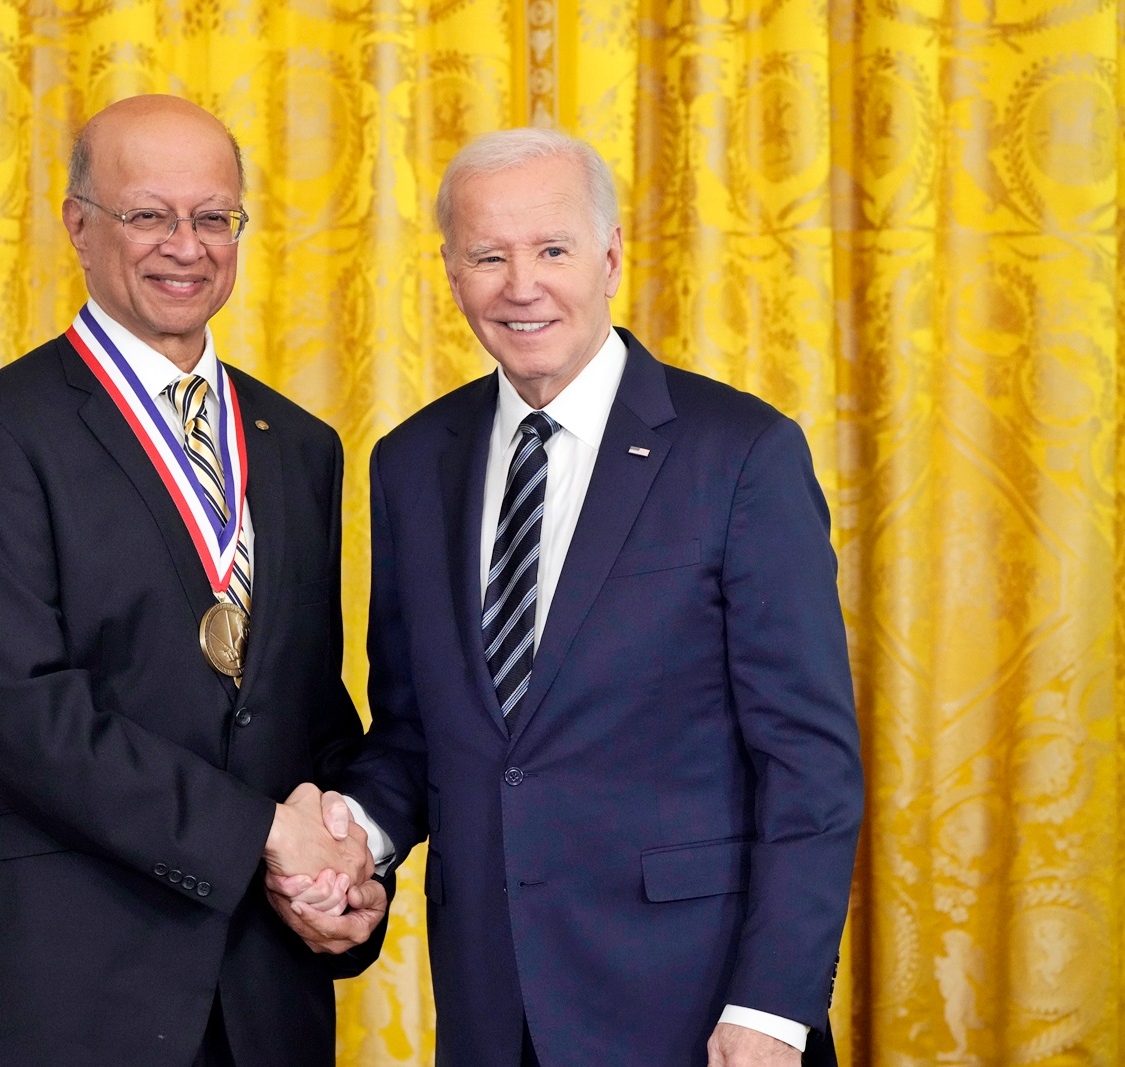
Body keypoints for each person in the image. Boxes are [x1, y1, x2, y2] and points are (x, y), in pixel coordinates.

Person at [268, 128, 864, 1067]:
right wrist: (358, 841)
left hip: (701, 1013)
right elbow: (417, 730)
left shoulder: (741, 452)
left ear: (613, 255)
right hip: (492, 1008)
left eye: (552, 249)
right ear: (451, 272)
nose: (521, 284)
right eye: (488, 255)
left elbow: (810, 761)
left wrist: (775, 1006)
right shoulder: (412, 463)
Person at [0, 94, 383, 1067]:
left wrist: (349, 876)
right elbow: (17, 704)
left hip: (259, 994)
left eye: (213, 217)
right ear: (78, 225)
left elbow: (305, 703)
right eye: (149, 214)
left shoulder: (300, 446)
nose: (186, 246)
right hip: (56, 988)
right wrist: (259, 834)